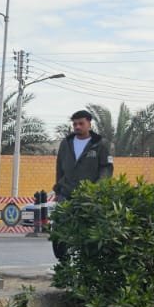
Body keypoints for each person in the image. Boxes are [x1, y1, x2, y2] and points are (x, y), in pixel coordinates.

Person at [52, 108, 113, 261]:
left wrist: (97, 188)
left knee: (90, 230)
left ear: (89, 124)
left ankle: (89, 262)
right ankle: (63, 263)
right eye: (75, 124)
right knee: (59, 229)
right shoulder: (66, 143)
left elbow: (106, 168)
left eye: (81, 123)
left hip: (90, 196)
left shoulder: (100, 144)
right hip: (66, 193)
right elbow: (59, 167)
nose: (77, 127)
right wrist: (58, 189)